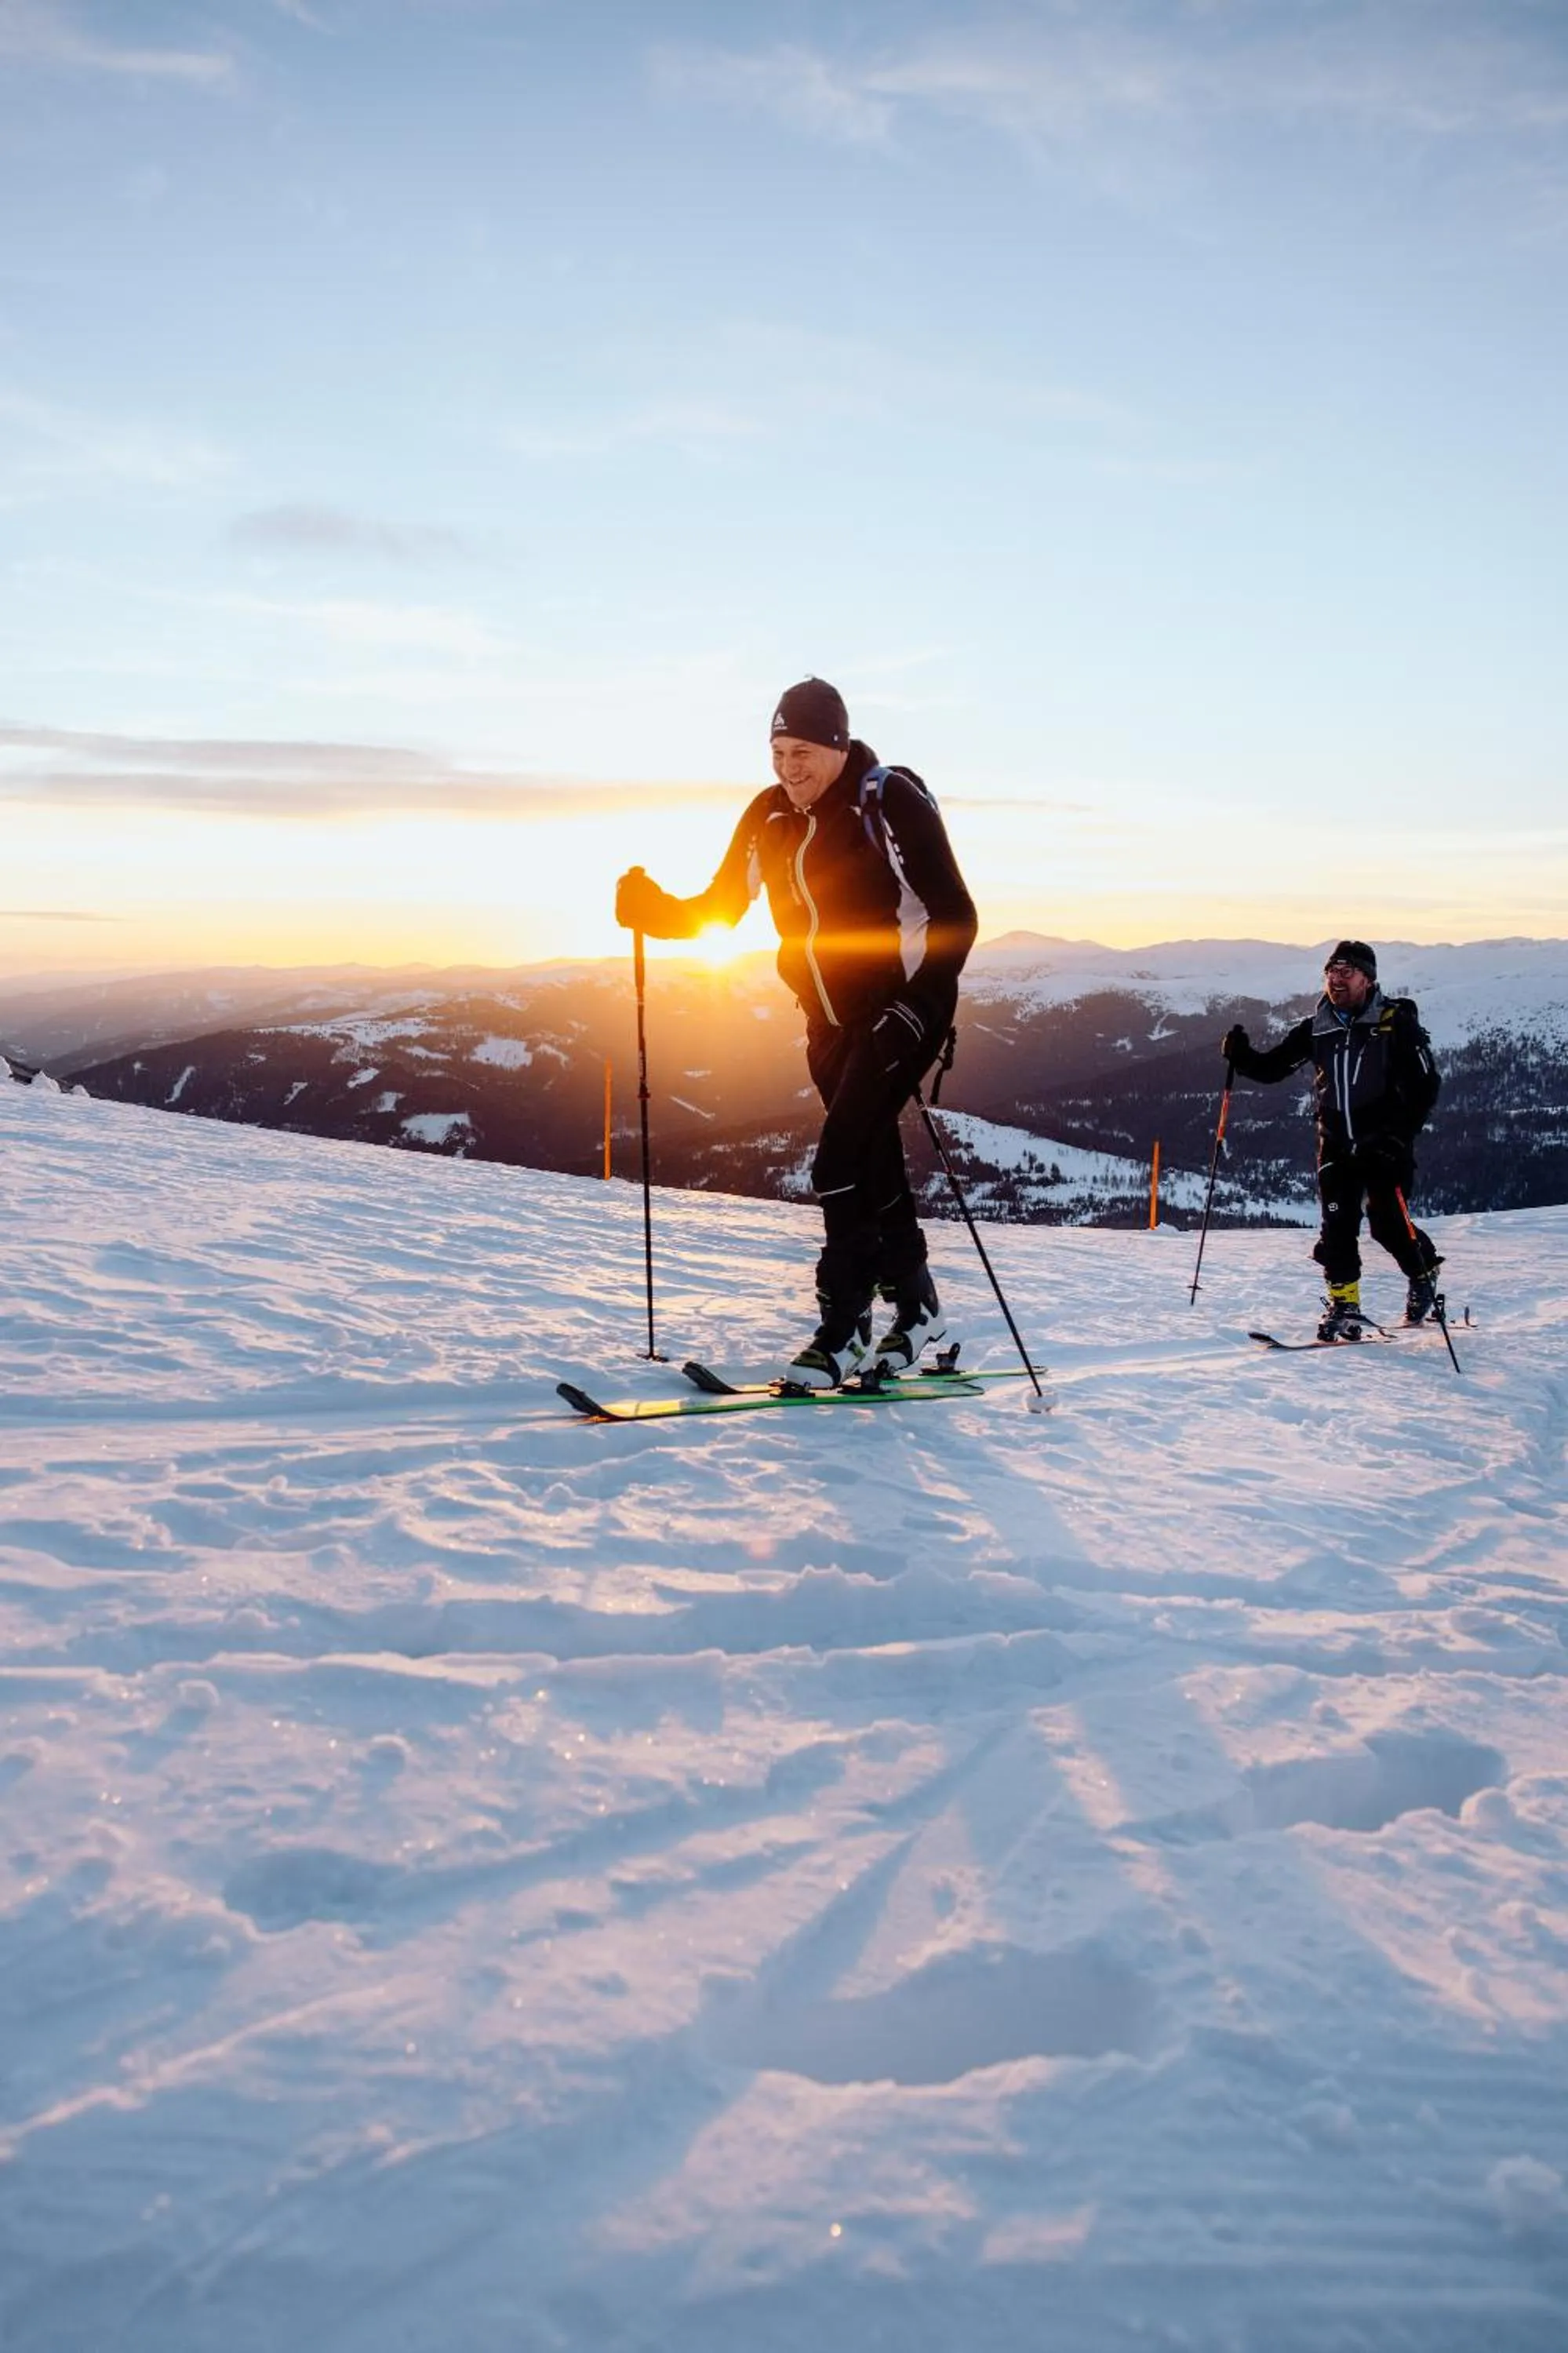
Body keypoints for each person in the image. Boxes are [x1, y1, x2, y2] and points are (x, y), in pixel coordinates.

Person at [615, 676, 978, 1386]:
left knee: (837, 1163)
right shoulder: (767, 817)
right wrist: (650, 908)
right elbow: (717, 911)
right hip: (828, 1023)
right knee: (872, 1166)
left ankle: (842, 1331)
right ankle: (918, 1308)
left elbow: (955, 914)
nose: (789, 767)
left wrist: (915, 1006)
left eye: (803, 750)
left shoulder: (887, 800)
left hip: (903, 1013)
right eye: (778, 751)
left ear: (838, 746)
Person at [1221, 940, 1444, 1339]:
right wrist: (1241, 1057)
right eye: (1331, 972)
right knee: (1337, 1227)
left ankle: (1424, 1274)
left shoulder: (1395, 1025)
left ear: (1368, 979)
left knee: (1388, 1226)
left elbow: (1425, 1087)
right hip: (1336, 1143)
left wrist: (1397, 1138)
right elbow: (1274, 1068)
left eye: (1347, 972)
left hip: (1384, 1145)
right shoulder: (1317, 1028)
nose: (1336, 980)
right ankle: (1346, 1306)